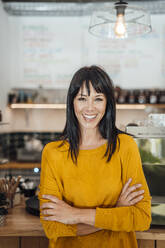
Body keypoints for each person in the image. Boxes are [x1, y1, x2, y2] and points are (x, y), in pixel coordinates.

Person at [38, 65, 151, 248]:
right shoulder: (53, 153)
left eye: (98, 99)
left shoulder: (125, 147)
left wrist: (74, 215)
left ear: (107, 104)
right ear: (72, 102)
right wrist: (116, 212)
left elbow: (142, 218)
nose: (90, 108)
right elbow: (52, 227)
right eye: (82, 98)